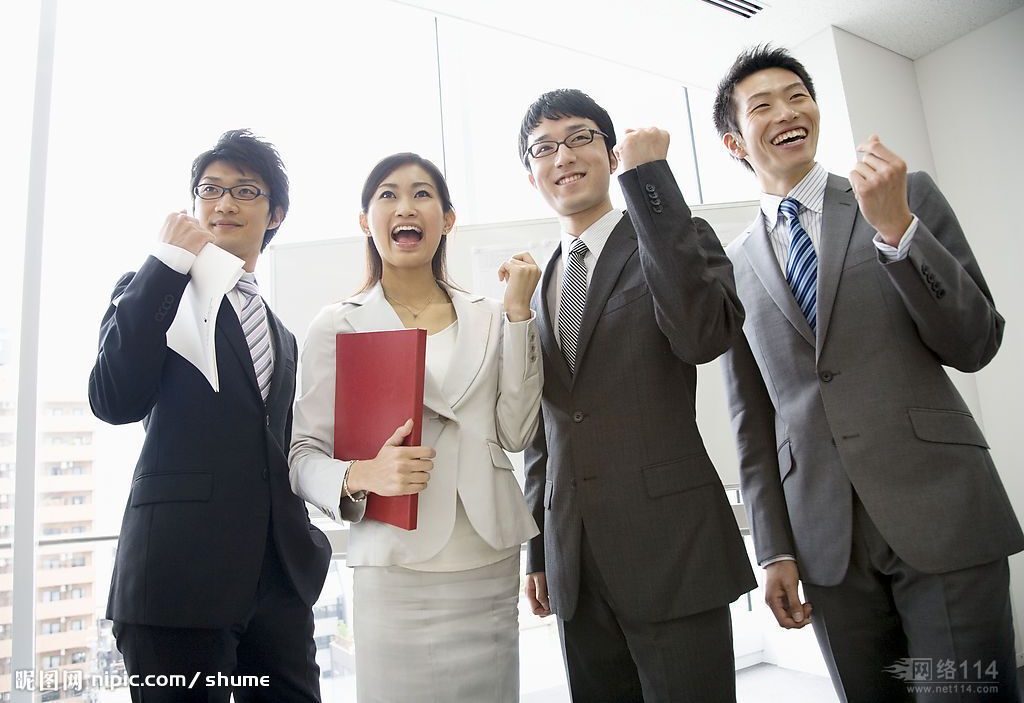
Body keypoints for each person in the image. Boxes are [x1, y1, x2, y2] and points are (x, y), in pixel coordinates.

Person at [714, 45, 1022, 701]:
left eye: (798, 95)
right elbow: (752, 419)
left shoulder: (898, 195)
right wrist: (772, 548)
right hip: (826, 544)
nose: (788, 111)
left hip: (939, 510)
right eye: (762, 105)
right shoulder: (731, 265)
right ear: (735, 141)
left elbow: (977, 341)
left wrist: (900, 235)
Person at [518, 88, 755, 702]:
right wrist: (539, 550)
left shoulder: (674, 234)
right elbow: (548, 426)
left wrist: (649, 182)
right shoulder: (543, 281)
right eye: (543, 148)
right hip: (576, 562)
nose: (562, 157)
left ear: (610, 149)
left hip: (669, 547)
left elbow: (705, 334)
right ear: (531, 172)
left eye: (578, 138)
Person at [288, 152, 543, 702]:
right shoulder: (337, 324)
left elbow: (517, 431)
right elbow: (302, 455)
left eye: (423, 193)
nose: (406, 206)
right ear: (365, 221)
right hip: (395, 563)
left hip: (487, 554)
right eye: (388, 194)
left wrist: (521, 317)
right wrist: (362, 474)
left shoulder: (491, 315)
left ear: (448, 219)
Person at [89, 129, 332, 702]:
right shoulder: (152, 289)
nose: (224, 203)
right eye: (210, 189)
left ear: (275, 214)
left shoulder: (283, 333)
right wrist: (166, 263)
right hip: (179, 580)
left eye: (245, 191)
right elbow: (113, 398)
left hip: (278, 582)